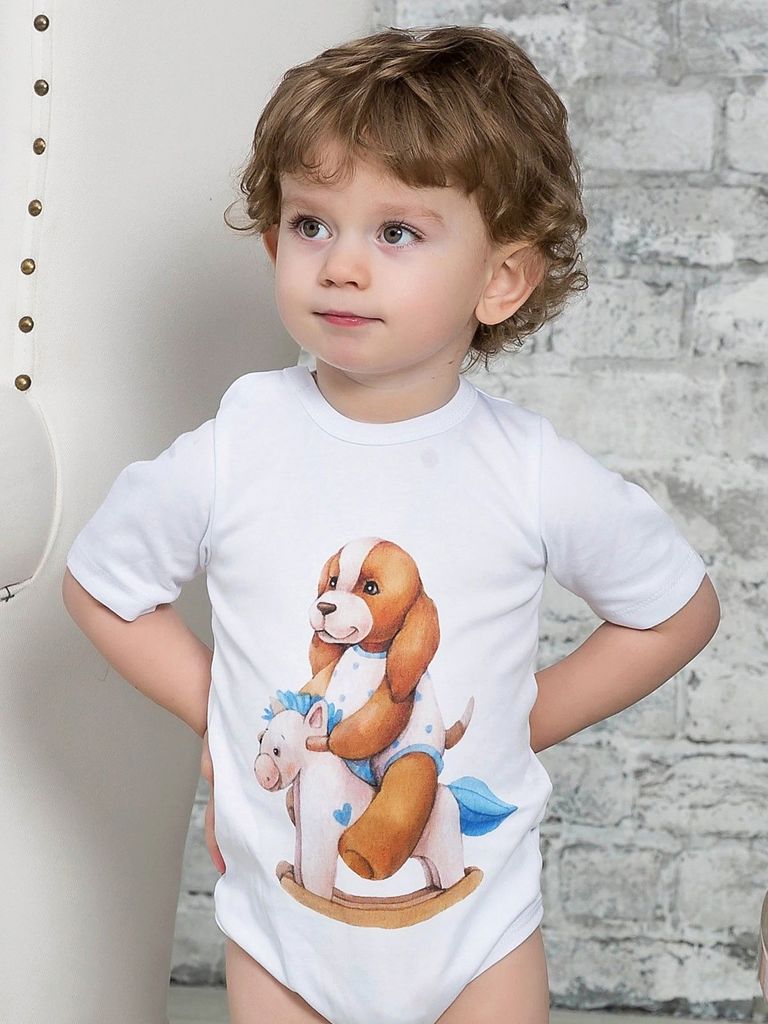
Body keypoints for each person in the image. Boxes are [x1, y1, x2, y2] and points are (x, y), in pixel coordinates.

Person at [62, 24, 721, 1024]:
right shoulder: (242, 440)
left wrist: (526, 716)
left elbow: (676, 610)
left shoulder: (526, 467)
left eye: (397, 233)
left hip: (480, 940)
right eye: (311, 224)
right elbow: (102, 584)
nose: (340, 265)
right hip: (283, 940)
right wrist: (221, 712)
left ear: (501, 278)